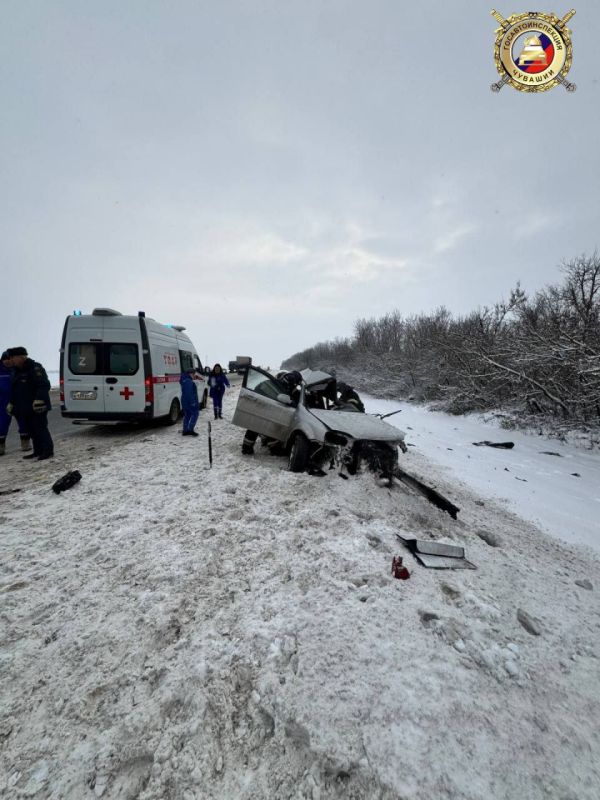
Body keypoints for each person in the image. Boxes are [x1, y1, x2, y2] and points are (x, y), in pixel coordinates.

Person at [6, 347, 54, 460]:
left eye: (13, 358)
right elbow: (15, 389)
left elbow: (44, 385)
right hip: (25, 407)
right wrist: (11, 403)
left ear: (21, 357)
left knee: (40, 428)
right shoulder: (16, 371)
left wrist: (39, 399)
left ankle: (48, 451)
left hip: (37, 406)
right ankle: (37, 451)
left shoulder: (35, 368)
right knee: (31, 429)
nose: (11, 360)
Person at [1, 351, 31, 455]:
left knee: (23, 422)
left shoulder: (17, 369)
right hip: (2, 402)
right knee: (2, 424)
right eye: (5, 360)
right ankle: (1, 446)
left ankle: (25, 443)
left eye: (10, 360)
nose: (8, 362)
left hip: (18, 401)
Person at [180, 368, 200, 436]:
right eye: (194, 374)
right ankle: (190, 430)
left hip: (185, 401)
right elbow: (189, 393)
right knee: (195, 414)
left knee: (187, 415)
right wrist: (192, 402)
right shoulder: (188, 381)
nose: (194, 376)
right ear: (190, 374)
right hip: (189, 402)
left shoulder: (184, 380)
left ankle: (185, 430)